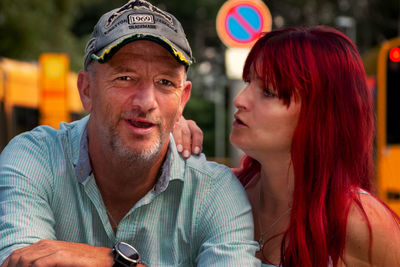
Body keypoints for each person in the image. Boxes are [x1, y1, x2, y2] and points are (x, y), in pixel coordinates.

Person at [0, 1, 260, 266]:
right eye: (125, 77)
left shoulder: (215, 191)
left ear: (182, 100)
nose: (146, 101)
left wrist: (114, 262)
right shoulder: (34, 158)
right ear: (86, 90)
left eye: (165, 82)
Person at [174, 26, 400, 266]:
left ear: (321, 114)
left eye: (268, 91)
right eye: (248, 81)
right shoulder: (221, 193)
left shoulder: (360, 222)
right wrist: (165, 137)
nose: (239, 100)